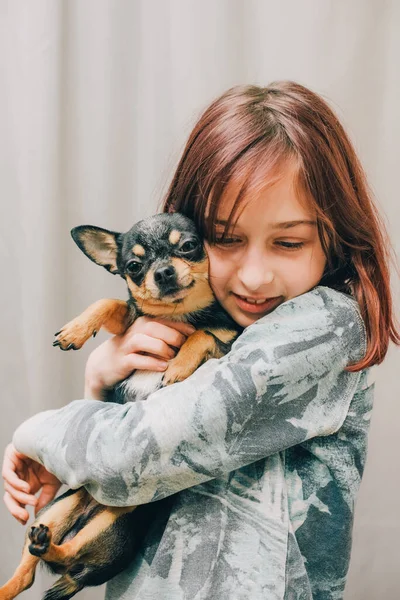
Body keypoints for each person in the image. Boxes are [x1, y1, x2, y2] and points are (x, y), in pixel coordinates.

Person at [3, 81, 399, 600]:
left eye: (289, 241)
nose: (254, 276)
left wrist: (37, 433)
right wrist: (101, 381)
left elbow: (128, 456)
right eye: (227, 238)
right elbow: (130, 462)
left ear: (336, 236)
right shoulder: (214, 314)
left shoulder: (325, 327)